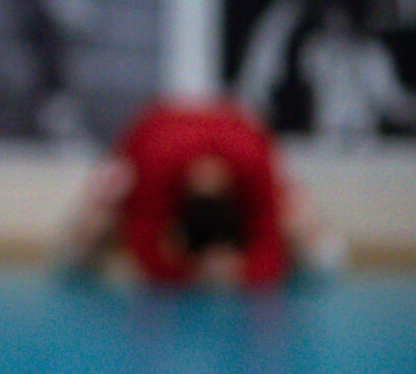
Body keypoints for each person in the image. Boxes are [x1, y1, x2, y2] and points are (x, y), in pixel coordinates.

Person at [64, 95, 315, 285]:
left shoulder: (253, 161)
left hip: (218, 150)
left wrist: (239, 270)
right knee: (99, 210)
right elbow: (144, 246)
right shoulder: (157, 162)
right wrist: (194, 272)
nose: (207, 175)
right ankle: (73, 257)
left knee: (304, 230)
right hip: (145, 150)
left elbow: (269, 240)